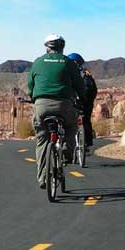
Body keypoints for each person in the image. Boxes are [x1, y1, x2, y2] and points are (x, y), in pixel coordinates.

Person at [27, 34, 85, 189]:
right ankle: (66, 152)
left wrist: (33, 98)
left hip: (41, 106)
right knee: (71, 126)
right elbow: (80, 86)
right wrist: (82, 100)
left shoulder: (37, 62)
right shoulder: (68, 63)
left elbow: (30, 87)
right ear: (62, 48)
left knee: (41, 140)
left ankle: (42, 179)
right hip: (64, 105)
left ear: (47, 47)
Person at [66, 53, 97, 150]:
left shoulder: (69, 72)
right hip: (87, 101)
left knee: (67, 120)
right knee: (86, 120)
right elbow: (93, 90)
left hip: (74, 100)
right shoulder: (86, 73)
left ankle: (66, 142)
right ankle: (88, 144)